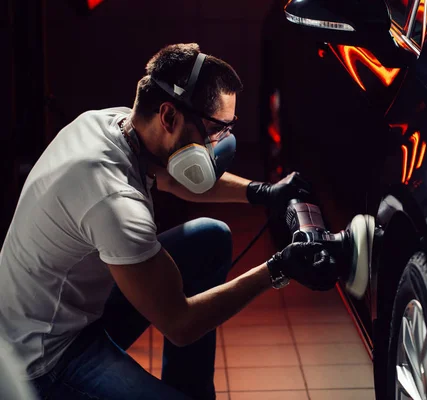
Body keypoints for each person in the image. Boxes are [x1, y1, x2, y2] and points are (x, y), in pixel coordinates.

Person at [0, 43, 338, 400]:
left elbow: (174, 178)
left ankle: (191, 390)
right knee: (178, 309)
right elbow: (181, 324)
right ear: (169, 116)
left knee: (210, 238)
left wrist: (264, 192)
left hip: (69, 311)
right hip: (46, 358)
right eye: (213, 130)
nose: (218, 144)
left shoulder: (110, 124)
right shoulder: (113, 200)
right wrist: (279, 268)